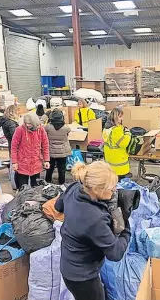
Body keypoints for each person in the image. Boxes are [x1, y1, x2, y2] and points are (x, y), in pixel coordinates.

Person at [55, 161, 130, 300]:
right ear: (96, 189)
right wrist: (126, 226)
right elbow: (115, 253)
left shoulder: (75, 187)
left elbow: (58, 206)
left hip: (69, 263)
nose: (115, 191)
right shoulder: (95, 219)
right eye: (112, 188)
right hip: (83, 278)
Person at [11, 112, 50, 189]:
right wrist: (14, 162)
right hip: (23, 162)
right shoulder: (19, 130)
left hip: (36, 162)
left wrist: (46, 160)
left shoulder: (41, 130)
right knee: (22, 188)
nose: (28, 125)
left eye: (30, 123)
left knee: (36, 188)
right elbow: (14, 147)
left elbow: (45, 145)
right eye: (26, 123)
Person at [102, 107, 131, 180]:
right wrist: (128, 134)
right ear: (115, 117)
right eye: (120, 117)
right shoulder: (116, 130)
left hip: (110, 161)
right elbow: (124, 143)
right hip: (119, 165)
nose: (122, 119)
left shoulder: (107, 128)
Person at [45, 109, 71, 185]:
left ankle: (47, 181)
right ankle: (61, 183)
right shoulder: (66, 128)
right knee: (62, 169)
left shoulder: (47, 127)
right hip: (62, 151)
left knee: (49, 168)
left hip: (51, 151)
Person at [0, 105, 19, 190]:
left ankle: (13, 183)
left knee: (12, 164)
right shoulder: (11, 123)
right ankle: (14, 185)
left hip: (11, 145)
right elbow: (15, 136)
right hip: (15, 147)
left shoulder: (5, 122)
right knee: (14, 166)